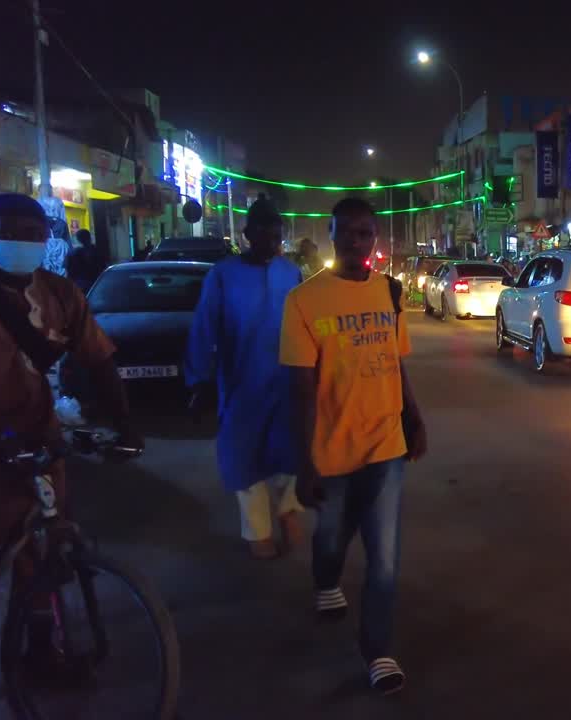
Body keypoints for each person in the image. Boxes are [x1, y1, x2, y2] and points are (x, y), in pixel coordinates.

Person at [0, 193, 141, 673]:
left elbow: (99, 360)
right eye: (9, 231)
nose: (22, 241)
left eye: (33, 233)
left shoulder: (60, 294)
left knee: (46, 547)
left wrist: (125, 429)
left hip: (40, 440)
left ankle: (40, 647)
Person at [281, 196, 428, 695]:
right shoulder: (304, 300)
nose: (356, 242)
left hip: (385, 442)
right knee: (330, 538)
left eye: (365, 234)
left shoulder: (390, 291)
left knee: (384, 558)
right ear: (331, 235)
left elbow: (396, 359)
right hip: (332, 447)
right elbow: (299, 386)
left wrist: (413, 414)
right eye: (347, 233)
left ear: (374, 240)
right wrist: (304, 462)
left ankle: (378, 652)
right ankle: (325, 582)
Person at [186, 195, 304, 559]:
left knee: (291, 452)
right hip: (241, 383)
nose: (270, 235)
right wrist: (198, 379)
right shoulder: (223, 274)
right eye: (262, 228)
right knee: (245, 457)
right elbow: (205, 327)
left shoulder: (291, 272)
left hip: (286, 382)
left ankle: (288, 512)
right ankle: (258, 533)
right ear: (247, 232)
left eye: (276, 228)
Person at [65, 229, 107, 293]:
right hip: (98, 285)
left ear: (78, 240)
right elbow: (104, 268)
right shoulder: (97, 251)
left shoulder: (72, 254)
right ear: (90, 238)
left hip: (81, 287)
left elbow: (69, 273)